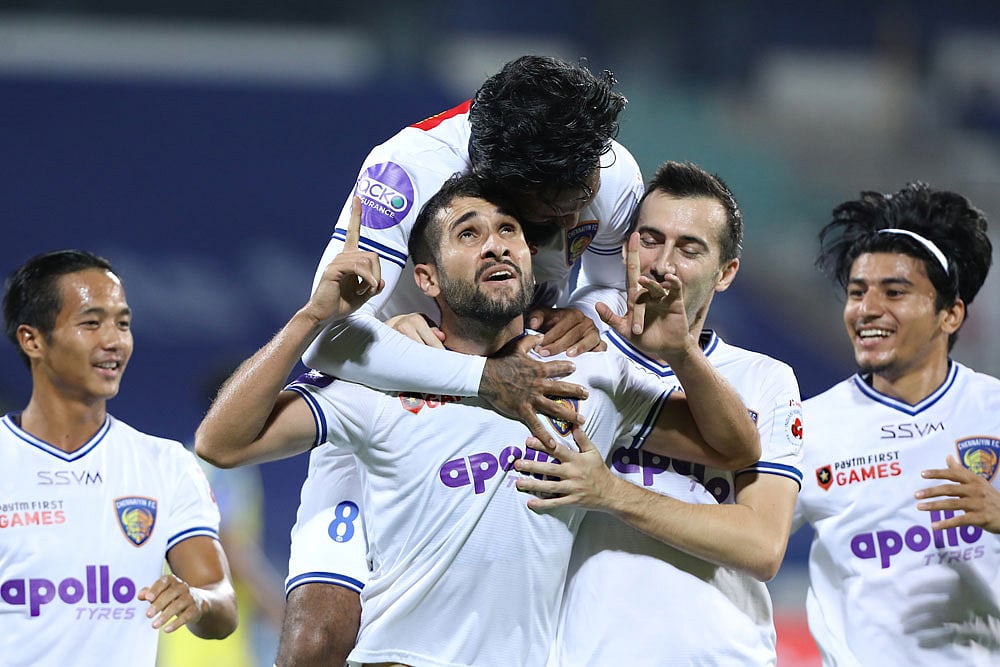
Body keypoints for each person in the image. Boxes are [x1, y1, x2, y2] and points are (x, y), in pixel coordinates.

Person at [196, 174, 760, 667]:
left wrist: (683, 354)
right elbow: (221, 442)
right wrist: (312, 318)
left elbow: (733, 449)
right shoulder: (383, 380)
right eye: (468, 234)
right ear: (427, 279)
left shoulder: (585, 375)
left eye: (509, 230)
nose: (496, 245)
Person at [282, 54, 645, 665]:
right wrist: (469, 371)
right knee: (315, 643)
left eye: (583, 192)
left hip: (515, 404)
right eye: (552, 208)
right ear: (498, 179)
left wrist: (587, 311)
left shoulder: (605, 170)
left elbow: (613, 282)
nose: (574, 216)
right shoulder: (407, 168)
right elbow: (326, 339)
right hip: (386, 399)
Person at [512, 161, 805, 665]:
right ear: (627, 246)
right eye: (650, 240)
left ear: (726, 272)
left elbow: (761, 547)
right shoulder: (574, 352)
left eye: (690, 249)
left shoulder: (765, 379)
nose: (662, 263)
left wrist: (611, 492)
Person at [793, 182, 1000, 664]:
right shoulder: (807, 427)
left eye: (894, 292)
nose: (867, 309)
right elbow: (747, 541)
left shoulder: (993, 409)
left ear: (950, 314)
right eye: (857, 292)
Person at [0, 250, 238, 667]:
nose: (114, 341)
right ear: (32, 340)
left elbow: (221, 602)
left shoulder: (167, 465)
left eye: (123, 323)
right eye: (91, 323)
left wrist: (198, 601)